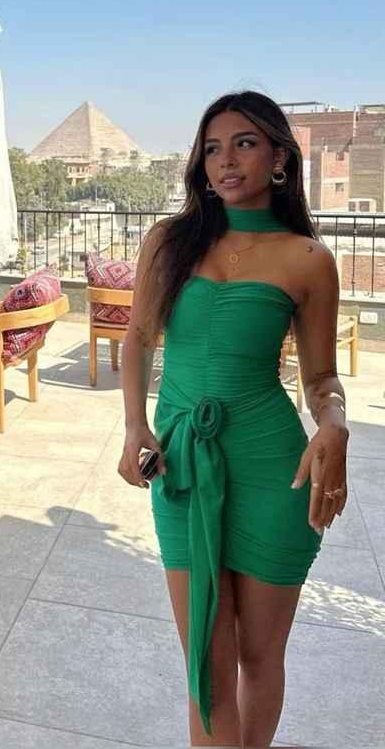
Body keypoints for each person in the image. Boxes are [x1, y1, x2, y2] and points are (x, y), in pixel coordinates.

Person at [118, 91, 349, 748]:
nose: (226, 161)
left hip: (274, 470)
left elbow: (321, 379)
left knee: (258, 657)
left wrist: (334, 424)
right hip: (182, 465)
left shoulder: (307, 260)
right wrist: (135, 424)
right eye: (212, 148)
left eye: (244, 143)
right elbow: (138, 336)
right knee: (206, 660)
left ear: (279, 157)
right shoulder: (168, 242)